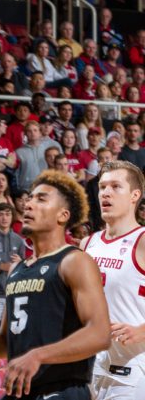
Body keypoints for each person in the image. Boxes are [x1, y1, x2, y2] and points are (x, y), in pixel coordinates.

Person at [0, 170, 111, 399]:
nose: (28, 204)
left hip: (60, 389)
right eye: (29, 198)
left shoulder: (74, 261)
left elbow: (99, 333)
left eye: (41, 199)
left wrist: (38, 356)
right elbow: (6, 340)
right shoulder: (18, 269)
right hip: (18, 390)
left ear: (62, 215)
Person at [82, 160, 145, 400]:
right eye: (102, 187)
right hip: (95, 368)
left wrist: (142, 331)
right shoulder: (88, 244)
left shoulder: (142, 242)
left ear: (134, 195)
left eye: (116, 186)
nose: (106, 193)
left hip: (136, 368)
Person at [0, 203, 26, 318]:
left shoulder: (18, 240)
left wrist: (21, 262)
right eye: (1, 214)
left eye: (8, 214)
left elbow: (25, 266)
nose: (4, 218)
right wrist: (0, 266)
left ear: (12, 217)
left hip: (13, 293)